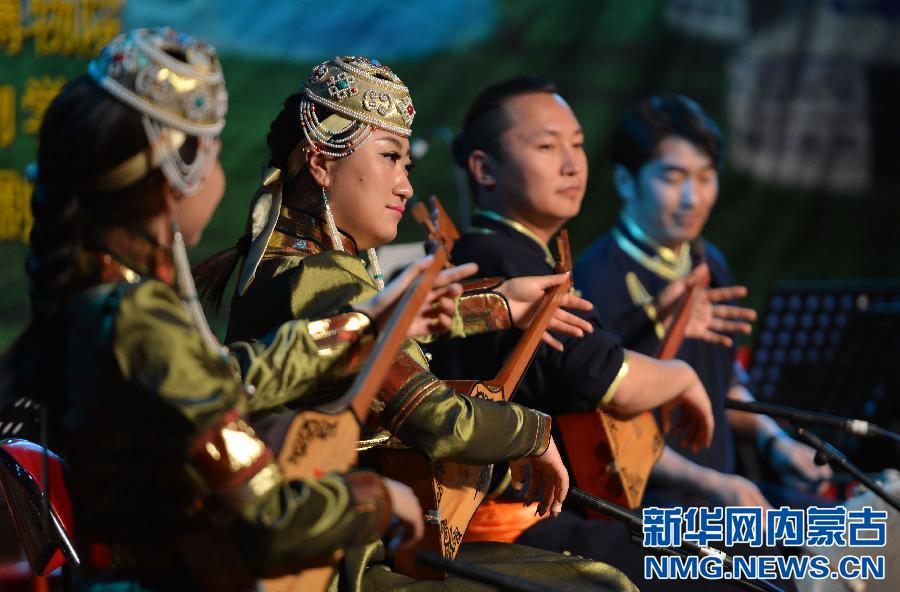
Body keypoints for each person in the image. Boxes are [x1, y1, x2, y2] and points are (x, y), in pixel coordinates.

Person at [0, 29, 495, 590]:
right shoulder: (139, 318)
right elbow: (268, 516)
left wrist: (370, 322)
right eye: (212, 154)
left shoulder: (92, 293)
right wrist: (376, 498)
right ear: (175, 172)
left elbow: (230, 376)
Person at [195, 56, 639, 591]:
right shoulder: (321, 277)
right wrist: (534, 433)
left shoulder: (285, 263)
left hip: (337, 544)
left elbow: (380, 334)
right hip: (341, 562)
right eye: (390, 158)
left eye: (406, 164)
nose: (405, 186)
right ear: (320, 162)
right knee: (598, 584)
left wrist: (497, 305)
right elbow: (437, 418)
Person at [575, 94, 832, 510]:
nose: (694, 198)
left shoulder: (708, 261)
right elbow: (606, 428)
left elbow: (724, 381)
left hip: (718, 494)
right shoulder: (595, 278)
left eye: (706, 176)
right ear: (626, 182)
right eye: (674, 178)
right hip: (644, 513)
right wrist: (713, 482)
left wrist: (775, 442)